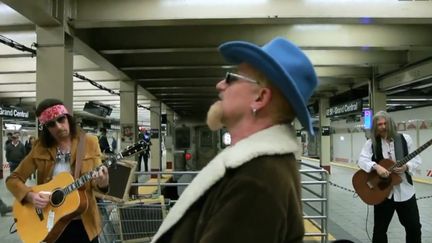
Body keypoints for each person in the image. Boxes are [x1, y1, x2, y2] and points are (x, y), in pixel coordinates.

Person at [151, 37, 318, 243]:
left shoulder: (257, 182)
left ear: (260, 98)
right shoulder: (257, 170)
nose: (220, 85)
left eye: (231, 78)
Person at [6, 98, 109, 243]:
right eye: (51, 124)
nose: (59, 126)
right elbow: (12, 179)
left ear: (68, 118)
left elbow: (96, 185)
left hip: (84, 222)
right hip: (51, 222)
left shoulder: (89, 142)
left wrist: (103, 183)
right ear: (46, 128)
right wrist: (30, 196)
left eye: (61, 119)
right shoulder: (40, 148)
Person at [358, 111, 422, 243]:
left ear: (391, 124)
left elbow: (417, 159)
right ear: (375, 127)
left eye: (385, 123)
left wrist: (406, 167)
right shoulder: (372, 143)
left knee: (414, 227)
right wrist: (376, 167)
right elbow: (362, 160)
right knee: (380, 230)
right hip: (382, 193)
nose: (382, 127)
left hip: (405, 191)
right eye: (379, 124)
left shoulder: (405, 139)